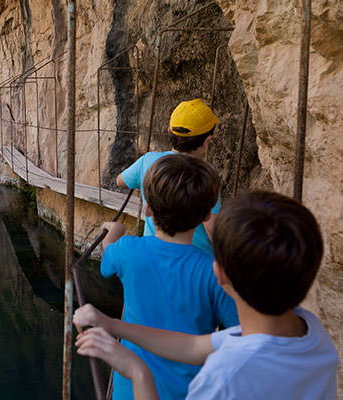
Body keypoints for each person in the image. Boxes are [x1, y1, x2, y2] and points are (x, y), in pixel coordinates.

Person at [75, 191, 339, 399]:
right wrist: (112, 325)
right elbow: (193, 346)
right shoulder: (310, 333)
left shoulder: (223, 378)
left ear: (220, 273)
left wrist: (137, 371)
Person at [91, 154, 238, 400]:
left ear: (148, 208)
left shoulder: (128, 250)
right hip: (188, 390)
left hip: (130, 387)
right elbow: (238, 329)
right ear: (205, 216)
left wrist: (113, 232)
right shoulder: (213, 272)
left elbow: (107, 263)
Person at [117, 99, 219, 255]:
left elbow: (121, 181)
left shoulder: (148, 160)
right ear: (207, 141)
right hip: (196, 260)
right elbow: (212, 228)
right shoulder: (206, 174)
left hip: (153, 254)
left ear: (169, 130)